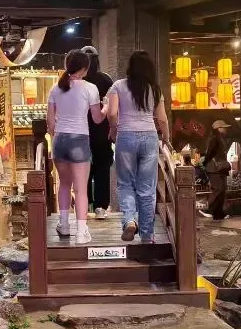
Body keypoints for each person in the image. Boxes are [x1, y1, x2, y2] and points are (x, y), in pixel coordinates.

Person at [106, 49, 170, 243]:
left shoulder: (118, 86)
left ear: (130, 67)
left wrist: (114, 130)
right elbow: (162, 119)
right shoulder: (155, 89)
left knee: (126, 183)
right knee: (147, 187)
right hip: (149, 137)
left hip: (126, 137)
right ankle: (147, 235)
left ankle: (129, 221)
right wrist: (166, 138)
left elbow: (111, 113)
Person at [47, 49, 104, 242]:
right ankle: (81, 232)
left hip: (59, 140)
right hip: (79, 140)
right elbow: (97, 119)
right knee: (80, 189)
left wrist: (56, 137)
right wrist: (105, 108)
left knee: (64, 184)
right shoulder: (90, 88)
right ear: (85, 68)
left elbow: (50, 123)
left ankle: (63, 224)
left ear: (67, 65)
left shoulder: (55, 88)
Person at [82, 44, 114, 218]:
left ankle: (85, 204)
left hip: (81, 132)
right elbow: (112, 107)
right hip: (102, 131)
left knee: (83, 168)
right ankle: (101, 207)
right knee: (102, 168)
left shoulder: (76, 81)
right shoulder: (106, 80)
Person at [198, 119, 231, 221]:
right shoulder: (214, 138)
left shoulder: (220, 138)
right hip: (214, 168)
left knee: (222, 191)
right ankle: (207, 209)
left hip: (220, 168)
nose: (226, 129)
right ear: (218, 128)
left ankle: (218, 213)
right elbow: (210, 153)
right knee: (218, 189)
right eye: (224, 127)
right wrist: (204, 163)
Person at [31, 116, 56, 215]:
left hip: (40, 171)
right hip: (42, 171)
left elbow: (39, 159)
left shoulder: (38, 141)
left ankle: (46, 210)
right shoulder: (42, 141)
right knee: (46, 191)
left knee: (44, 191)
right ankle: (47, 210)